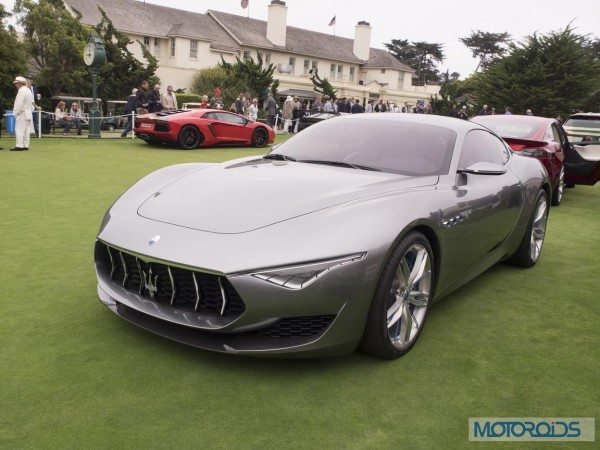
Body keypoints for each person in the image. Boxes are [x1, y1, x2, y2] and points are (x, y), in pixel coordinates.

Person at [11, 76, 34, 151]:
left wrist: (15, 112)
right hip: (28, 113)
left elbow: (18, 103)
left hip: (22, 113)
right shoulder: (28, 90)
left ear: (20, 83)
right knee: (26, 131)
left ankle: (19, 146)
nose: (15, 85)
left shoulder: (21, 91)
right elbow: (32, 103)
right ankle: (25, 145)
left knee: (19, 130)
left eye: (16, 83)